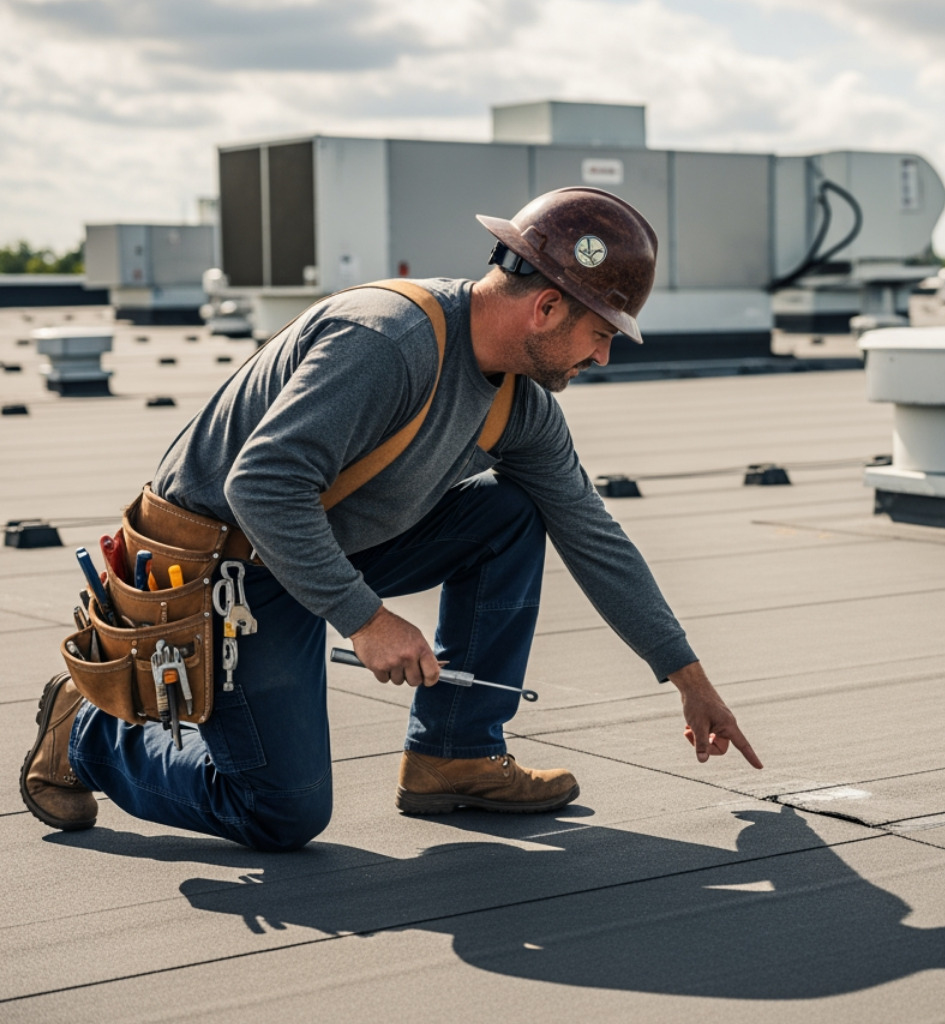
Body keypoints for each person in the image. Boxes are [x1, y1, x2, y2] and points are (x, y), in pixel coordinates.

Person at [21, 187, 762, 851]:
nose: (603, 356)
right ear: (545, 308)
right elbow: (263, 488)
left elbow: (593, 535)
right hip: (229, 567)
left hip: (321, 541)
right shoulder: (385, 343)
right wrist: (365, 618)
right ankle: (88, 732)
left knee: (511, 510)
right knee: (280, 814)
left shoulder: (521, 405)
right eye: (602, 333)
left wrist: (688, 678)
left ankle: (455, 753)